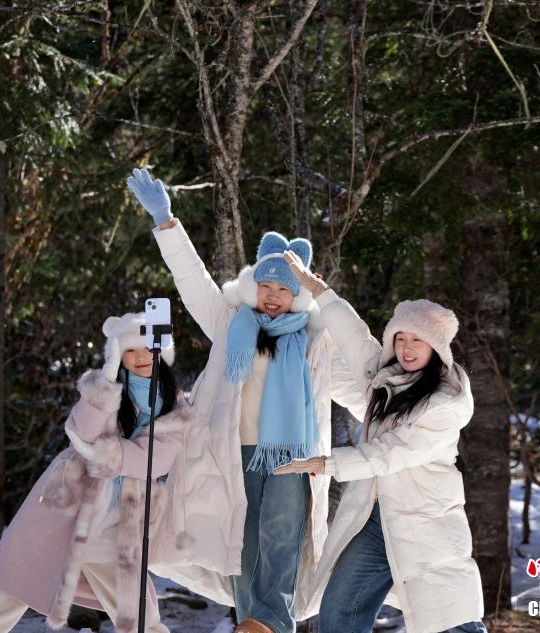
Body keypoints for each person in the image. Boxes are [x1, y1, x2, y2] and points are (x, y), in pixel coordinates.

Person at [125, 169, 366, 633]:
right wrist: (166, 223)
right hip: (233, 453)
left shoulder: (316, 341)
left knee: (282, 538)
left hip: (294, 455)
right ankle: (252, 622)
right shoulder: (230, 323)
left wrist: (398, 419)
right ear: (253, 287)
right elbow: (193, 281)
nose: (273, 297)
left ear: (297, 294)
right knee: (241, 545)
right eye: (266, 287)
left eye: (284, 289)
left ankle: (269, 622)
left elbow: (358, 393)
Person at [275, 251, 487, 633]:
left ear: (436, 348)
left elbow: (390, 453)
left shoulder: (444, 405)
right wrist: (321, 292)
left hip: (425, 523)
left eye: (417, 340)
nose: (406, 347)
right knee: (339, 613)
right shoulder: (384, 380)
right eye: (399, 338)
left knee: (451, 623)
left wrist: (328, 463)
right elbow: (355, 337)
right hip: (374, 520)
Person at [0, 312, 192, 633]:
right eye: (129, 350)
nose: (141, 356)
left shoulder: (175, 408)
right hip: (68, 501)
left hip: (119, 518)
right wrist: (106, 383)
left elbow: (156, 460)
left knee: (135, 603)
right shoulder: (104, 388)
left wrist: (105, 454)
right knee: (13, 580)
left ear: (161, 350)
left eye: (147, 347)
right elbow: (82, 432)